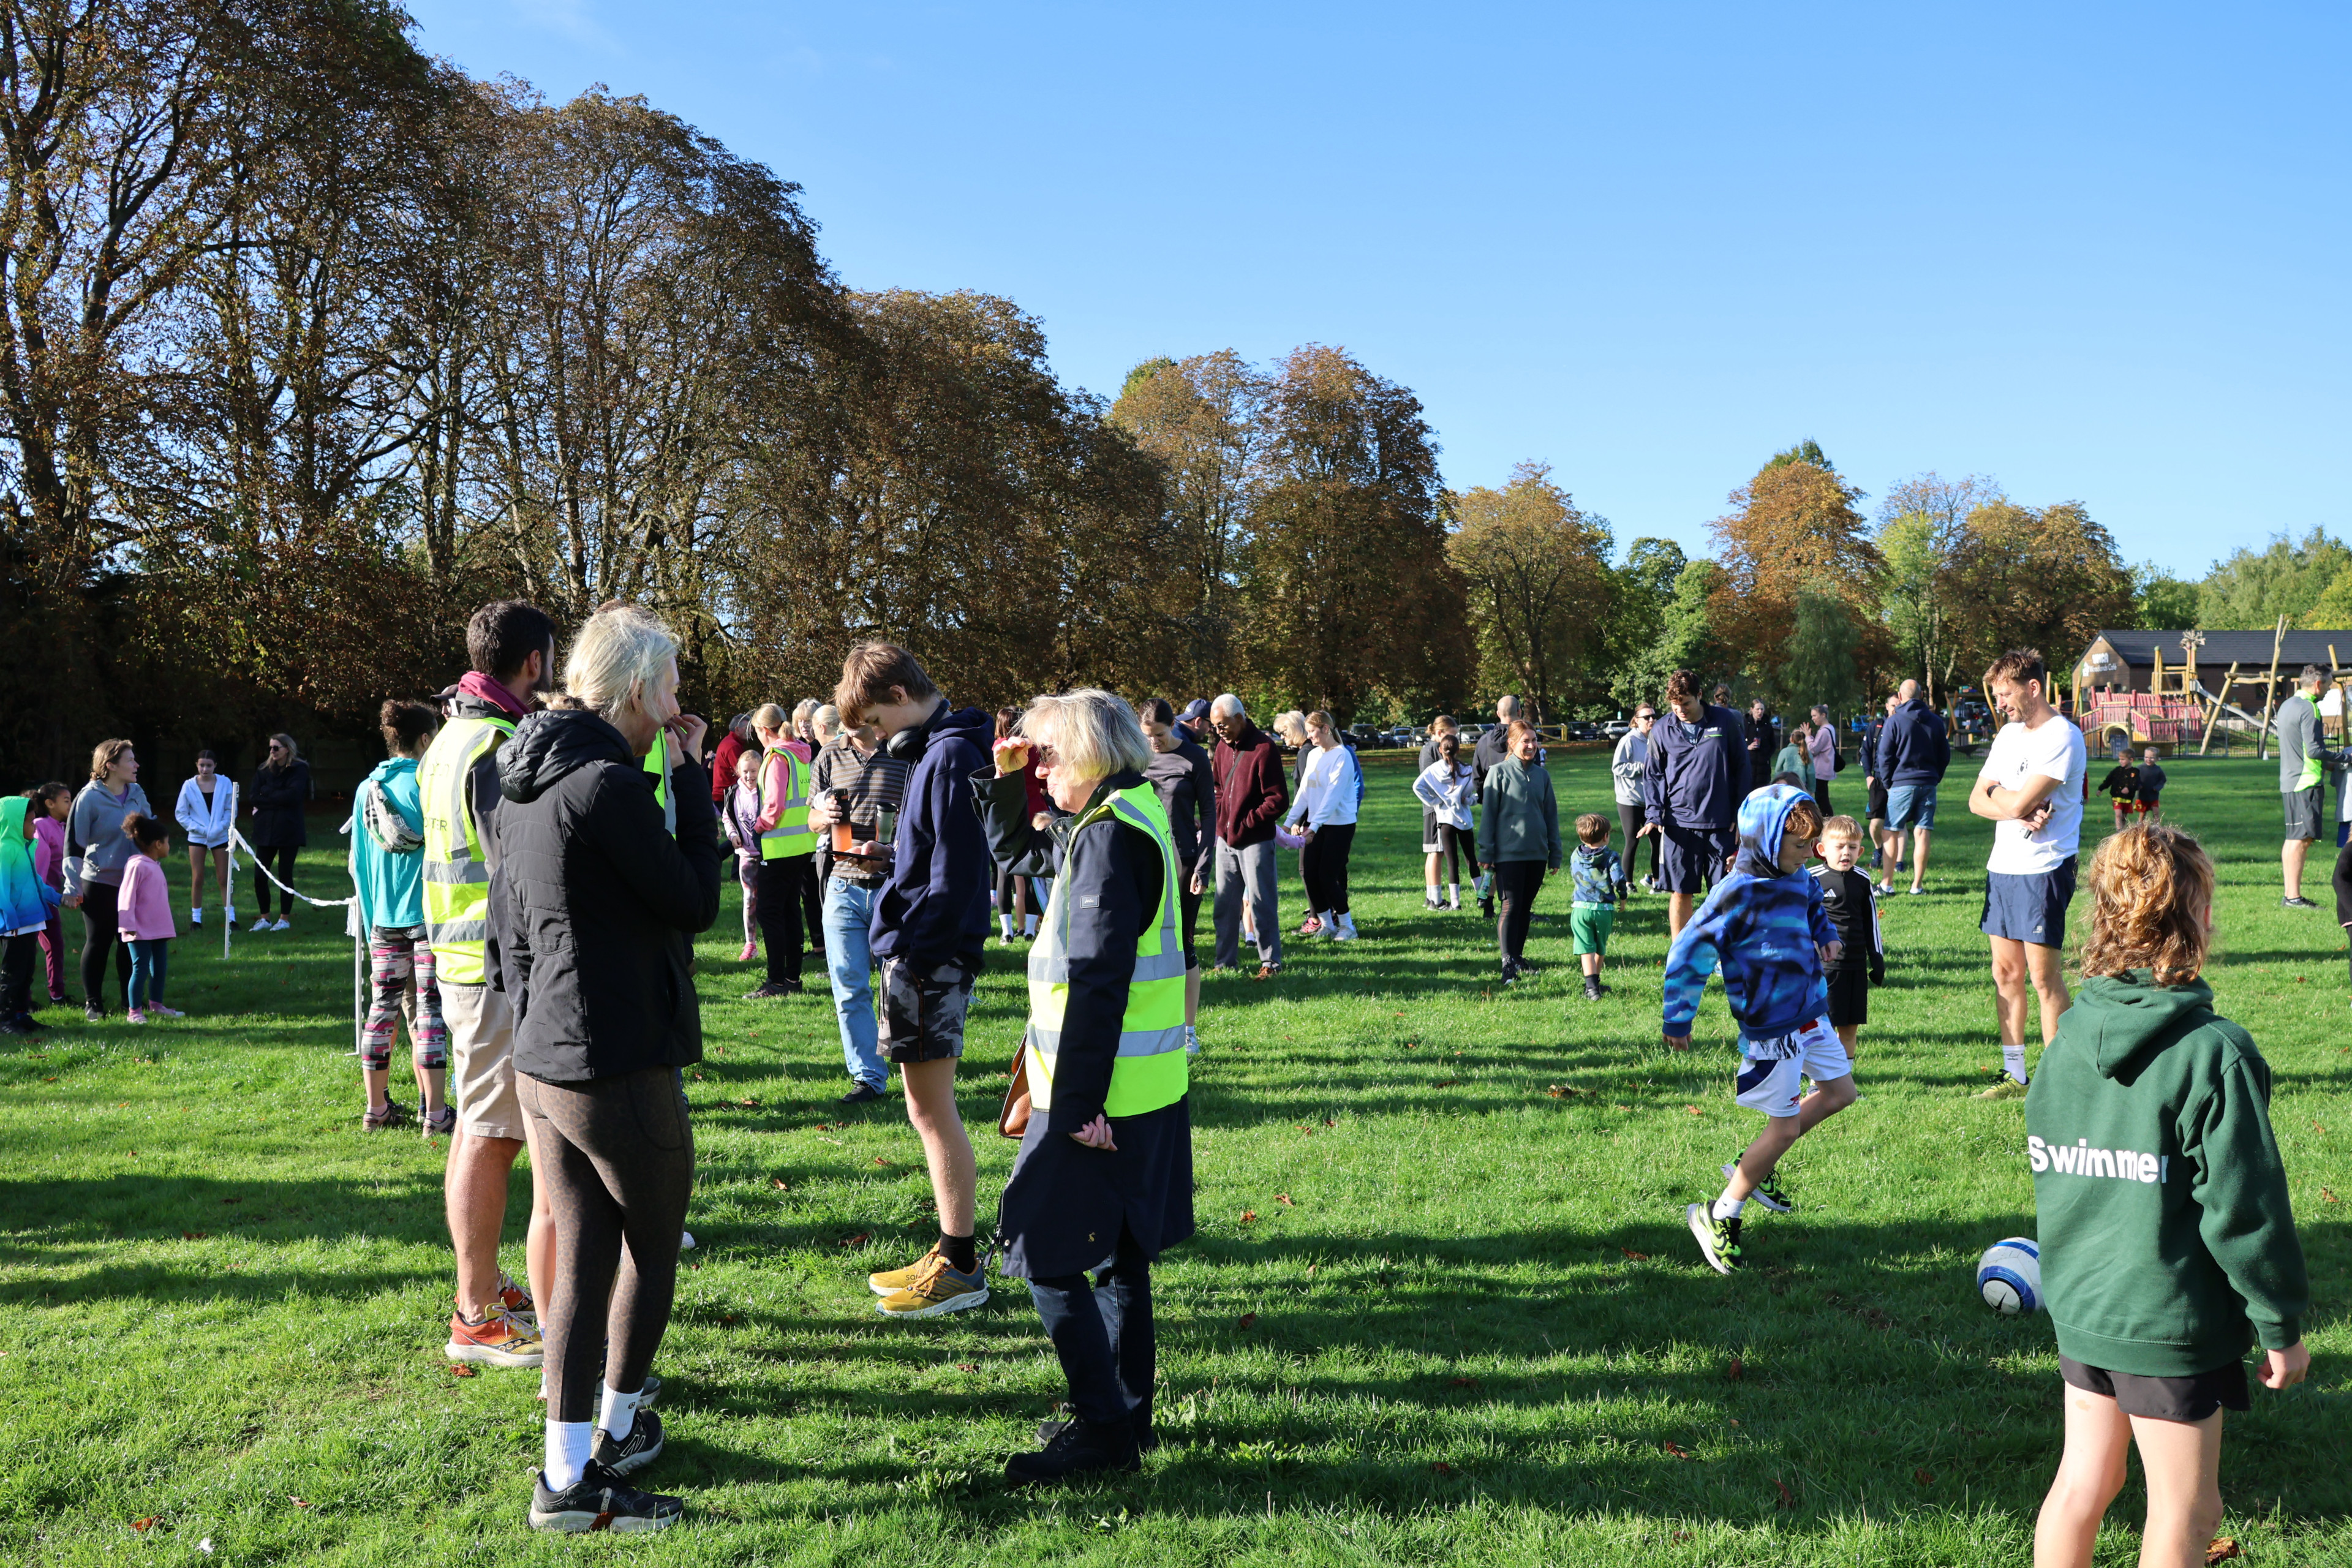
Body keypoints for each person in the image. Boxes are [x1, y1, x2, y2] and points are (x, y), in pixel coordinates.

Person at [2027, 822, 2310, 1568]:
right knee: (2189, 1511)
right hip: (2168, 1324)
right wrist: (2280, 1322)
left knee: (2086, 1480)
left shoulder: (2063, 1042)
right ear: (2195, 920)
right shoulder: (2214, 1056)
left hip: (2083, 1310)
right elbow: (2246, 1211)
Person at [494, 605, 718, 1534]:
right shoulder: (607, 786)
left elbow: (510, 933)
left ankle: (565, 1470)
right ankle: (614, 1439)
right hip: (613, 1057)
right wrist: (695, 778)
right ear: (635, 689)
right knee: (650, 1247)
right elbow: (696, 899)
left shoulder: (518, 779)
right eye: (670, 686)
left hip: (542, 1054)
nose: (678, 704)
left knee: (583, 1257)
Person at [982, 689, 1193, 1484]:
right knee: (1123, 1262)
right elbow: (1022, 854)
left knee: (1040, 1253)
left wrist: (1074, 1107)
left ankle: (1104, 1430)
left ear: (1091, 756)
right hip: (1146, 1087)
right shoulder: (1133, 812)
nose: (1042, 770)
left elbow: (1100, 981)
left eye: (1049, 756)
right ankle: (1125, 1420)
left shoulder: (1108, 839)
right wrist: (1008, 783)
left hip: (1100, 1098)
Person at [835, 642, 995, 1319]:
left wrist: (916, 952)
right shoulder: (937, 751)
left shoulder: (951, 754)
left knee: (932, 1110)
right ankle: (951, 1250)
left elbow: (957, 877)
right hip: (919, 953)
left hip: (930, 959)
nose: (873, 739)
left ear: (900, 695)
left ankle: (961, 1264)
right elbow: (931, 855)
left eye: (874, 723)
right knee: (922, 1108)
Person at [420, 598, 558, 1370]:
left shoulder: (454, 732)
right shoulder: (497, 742)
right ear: (533, 661)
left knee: (483, 1126)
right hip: (491, 967)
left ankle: (487, 1287)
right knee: (491, 1133)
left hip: (466, 959)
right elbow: (516, 866)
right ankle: (474, 1311)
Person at [1665, 786, 1854, 1273]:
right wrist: (1678, 1018)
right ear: (1766, 840)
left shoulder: (1797, 879)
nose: (1808, 856)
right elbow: (1688, 955)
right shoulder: (1736, 894)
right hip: (1773, 1028)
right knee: (1786, 1127)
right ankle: (1719, 1214)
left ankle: (1756, 1159)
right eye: (1798, 848)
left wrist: (1826, 936)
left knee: (1840, 1093)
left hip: (1811, 1011)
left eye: (1812, 847)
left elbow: (1813, 901)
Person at [1967, 648, 2087, 1098]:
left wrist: (2006, 800)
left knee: (2042, 977)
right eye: (1997, 695)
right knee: (2005, 973)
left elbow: (2009, 802)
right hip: (2003, 867)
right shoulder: (2009, 736)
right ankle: (2014, 1075)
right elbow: (1977, 801)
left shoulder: (2063, 736)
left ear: (2033, 687)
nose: (2000, 704)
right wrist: (2010, 805)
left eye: (2005, 694)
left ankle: (2060, 1079)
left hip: (2045, 867)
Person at [351, 699, 449, 1134]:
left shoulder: (366, 789)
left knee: (381, 1010)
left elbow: (360, 864)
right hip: (430, 916)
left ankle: (376, 1110)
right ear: (425, 739)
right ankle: (436, 1114)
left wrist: (373, 919)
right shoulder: (431, 784)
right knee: (430, 1013)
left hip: (384, 919)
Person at [807, 708, 912, 1106]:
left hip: (894, 887)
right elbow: (812, 817)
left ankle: (915, 1070)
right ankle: (868, 1077)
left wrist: (894, 847)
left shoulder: (903, 751)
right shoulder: (829, 755)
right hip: (842, 885)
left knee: (900, 987)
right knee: (850, 987)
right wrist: (824, 816)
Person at [1641, 669, 1751, 941]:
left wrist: (1741, 812)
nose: (1680, 710)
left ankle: (1723, 952)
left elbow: (1742, 768)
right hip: (1679, 826)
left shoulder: (1725, 721)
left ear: (1700, 696)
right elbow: (1653, 775)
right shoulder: (1661, 729)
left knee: (1724, 893)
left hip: (1721, 823)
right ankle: (1682, 951)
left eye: (1686, 704)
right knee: (1681, 892)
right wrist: (1654, 814)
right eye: (1675, 706)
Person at [1136, 697, 1216, 1055]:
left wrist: (1203, 866)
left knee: (1183, 944)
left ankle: (1188, 1031)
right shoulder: (1137, 756)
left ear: (1174, 727)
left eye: (1160, 735)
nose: (1154, 742)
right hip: (1145, 859)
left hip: (1183, 861)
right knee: (1144, 944)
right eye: (1148, 736)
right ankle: (1150, 1022)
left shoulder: (1195, 757)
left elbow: (1210, 817)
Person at [62, 740, 152, 1020]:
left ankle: (131, 1003)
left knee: (129, 943)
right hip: (99, 883)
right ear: (110, 766)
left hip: (132, 883)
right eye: (130, 760)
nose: (136, 765)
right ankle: (94, 1004)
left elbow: (150, 833)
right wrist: (71, 886)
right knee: (99, 943)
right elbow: (74, 846)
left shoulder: (137, 793)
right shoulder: (88, 797)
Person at [1208, 694, 1287, 979]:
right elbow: (1218, 788)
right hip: (1225, 841)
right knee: (1224, 905)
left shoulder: (1265, 748)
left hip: (1256, 840)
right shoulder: (1220, 748)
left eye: (1223, 725)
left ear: (1240, 719)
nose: (1218, 731)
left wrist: (1245, 823)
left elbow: (1277, 800)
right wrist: (1222, 820)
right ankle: (1224, 963)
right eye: (1215, 726)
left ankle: (1270, 964)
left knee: (1262, 902)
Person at [1475, 720, 1560, 984]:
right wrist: (1486, 853)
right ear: (1511, 743)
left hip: (1536, 853)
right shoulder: (1498, 773)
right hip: (1508, 854)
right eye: (1526, 741)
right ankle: (1507, 961)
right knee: (1510, 906)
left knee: (1525, 908)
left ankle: (1518, 957)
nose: (1532, 745)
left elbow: (1551, 816)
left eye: (1535, 741)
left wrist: (1555, 852)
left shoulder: (1542, 776)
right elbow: (1488, 816)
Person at [745, 702, 816, 999]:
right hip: (802, 845)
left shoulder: (776, 757)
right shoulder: (800, 752)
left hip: (780, 846)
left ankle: (776, 981)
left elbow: (774, 805)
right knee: (789, 912)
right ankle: (792, 978)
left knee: (769, 913)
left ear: (763, 731)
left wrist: (759, 826)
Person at [1809, 815, 1883, 1060]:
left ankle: (1845, 1084)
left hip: (1855, 965)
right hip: (1825, 967)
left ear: (1860, 851)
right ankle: (1817, 1085)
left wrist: (1877, 958)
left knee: (1850, 1029)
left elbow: (1871, 921)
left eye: (1852, 848)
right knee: (1824, 1028)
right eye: (1839, 847)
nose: (1846, 853)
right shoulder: (1812, 879)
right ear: (1822, 849)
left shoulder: (1863, 879)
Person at [1286, 711, 1362, 942]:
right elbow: (1305, 792)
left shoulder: (1342, 756)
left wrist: (1315, 826)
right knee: (1310, 875)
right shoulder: (1314, 755)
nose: (1309, 737)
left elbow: (1333, 795)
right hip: (1316, 824)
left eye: (1312, 731)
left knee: (1327, 877)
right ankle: (1327, 925)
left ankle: (1348, 927)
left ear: (1326, 729)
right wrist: (1289, 822)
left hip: (1339, 825)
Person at [2273, 665, 2341, 909]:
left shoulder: (2288, 705)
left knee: (2294, 838)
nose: (2331, 687)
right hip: (2306, 783)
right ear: (2317, 684)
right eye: (2330, 683)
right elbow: (2313, 750)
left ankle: (2291, 896)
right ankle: (2293, 898)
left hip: (2290, 781)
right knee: (2301, 839)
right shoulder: (2309, 708)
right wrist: (2344, 758)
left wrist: (2329, 765)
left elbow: (2301, 749)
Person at [1878, 678, 1951, 897]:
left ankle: (1886, 884)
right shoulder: (1936, 722)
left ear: (1900, 697)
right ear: (1921, 696)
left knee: (1890, 831)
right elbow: (1945, 755)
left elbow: (1885, 755)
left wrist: (1888, 782)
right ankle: (1917, 886)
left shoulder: (1895, 720)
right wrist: (1935, 777)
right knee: (1922, 832)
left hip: (1902, 782)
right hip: (1928, 782)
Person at [0, 790, 62, 1035]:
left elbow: (37, 881)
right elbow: (2, 889)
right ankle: (5, 1019)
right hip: (14, 925)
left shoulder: (27, 847)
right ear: (14, 822)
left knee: (26, 972)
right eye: (29, 821)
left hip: (31, 922)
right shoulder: (5, 850)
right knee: (12, 973)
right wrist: (10, 919)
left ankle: (21, 1014)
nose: (34, 827)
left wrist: (58, 898)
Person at [989, 706, 1050, 942]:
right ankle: (1030, 929)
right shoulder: (1033, 747)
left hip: (1011, 813)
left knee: (1005, 873)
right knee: (1036, 871)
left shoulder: (999, 747)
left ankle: (1006, 930)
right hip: (1036, 811)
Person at [115, 813, 179, 1022]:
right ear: (158, 844)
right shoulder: (137, 865)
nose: (169, 846)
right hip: (139, 930)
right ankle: (134, 1012)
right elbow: (126, 897)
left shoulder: (153, 865)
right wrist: (128, 925)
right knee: (140, 969)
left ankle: (157, 1005)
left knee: (159, 968)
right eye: (168, 843)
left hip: (158, 930)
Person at [244, 734, 311, 931]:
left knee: (285, 874)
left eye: (276, 748)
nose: (272, 751)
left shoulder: (299, 769)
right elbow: (254, 796)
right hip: (265, 829)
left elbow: (294, 796)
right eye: (271, 748)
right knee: (259, 875)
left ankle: (284, 919)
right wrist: (275, 799)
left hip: (289, 829)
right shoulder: (264, 770)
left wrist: (268, 796)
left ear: (287, 749)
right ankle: (265, 918)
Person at [1566, 812, 1628, 1000]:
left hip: (1580, 909)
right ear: (1606, 836)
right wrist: (1623, 897)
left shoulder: (1575, 855)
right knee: (1600, 948)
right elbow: (1618, 879)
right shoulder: (1611, 856)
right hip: (1603, 910)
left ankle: (1591, 988)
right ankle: (1596, 983)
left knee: (1586, 948)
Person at [1414, 733, 1476, 911]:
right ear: (1459, 749)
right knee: (1470, 858)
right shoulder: (1466, 769)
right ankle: (1481, 897)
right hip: (1462, 819)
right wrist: (1469, 800)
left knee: (1451, 861)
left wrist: (1435, 801)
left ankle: (1453, 902)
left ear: (1441, 750)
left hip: (1444, 819)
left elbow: (1417, 786)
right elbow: (1476, 788)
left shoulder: (1435, 769)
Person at [173, 750, 236, 928]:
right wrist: (199, 829)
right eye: (202, 765)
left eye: (209, 765)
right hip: (197, 836)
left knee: (224, 877)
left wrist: (220, 827)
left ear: (215, 765)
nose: (205, 769)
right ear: (196, 765)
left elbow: (231, 810)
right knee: (198, 877)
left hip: (220, 835)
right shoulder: (189, 786)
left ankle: (231, 918)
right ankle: (196, 919)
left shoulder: (225, 783)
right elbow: (181, 813)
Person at [29, 782, 70, 1008]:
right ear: (50, 803)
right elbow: (38, 863)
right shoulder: (40, 825)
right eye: (66, 800)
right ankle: (21, 1001)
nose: (70, 805)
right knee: (26, 949)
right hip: (37, 899)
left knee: (54, 946)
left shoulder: (62, 826)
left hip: (49, 898)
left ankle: (57, 996)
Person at [719, 751, 763, 962]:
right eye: (745, 771)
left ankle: (776, 941)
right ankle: (751, 944)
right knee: (749, 900)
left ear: (761, 769)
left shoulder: (767, 790)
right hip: (746, 855)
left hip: (769, 855)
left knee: (770, 902)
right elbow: (727, 816)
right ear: (738, 771)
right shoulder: (734, 792)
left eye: (754, 771)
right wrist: (733, 834)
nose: (749, 776)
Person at [1611, 706, 1658, 892]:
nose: (1651, 720)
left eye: (1654, 716)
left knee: (1657, 840)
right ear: (1637, 720)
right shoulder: (1628, 740)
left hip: (1650, 800)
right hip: (1629, 799)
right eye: (1647, 717)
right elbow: (1617, 767)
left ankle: (1657, 881)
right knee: (1632, 840)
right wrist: (1641, 767)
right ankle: (1627, 882)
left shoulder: (1656, 740)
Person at [1417, 715, 1461, 895]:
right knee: (1437, 851)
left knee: (1434, 852)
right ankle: (1435, 898)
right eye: (1451, 735)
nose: (1454, 740)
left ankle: (1431, 897)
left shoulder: (1428, 748)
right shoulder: (1435, 749)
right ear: (1439, 733)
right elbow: (1437, 780)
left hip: (1432, 807)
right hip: (1437, 808)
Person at [1863, 694, 1898, 871]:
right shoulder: (1876, 726)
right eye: (1892, 705)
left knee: (1899, 823)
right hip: (1878, 781)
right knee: (1876, 823)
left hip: (1900, 780)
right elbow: (1866, 752)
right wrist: (1868, 775)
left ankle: (1898, 861)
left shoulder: (1904, 725)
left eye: (1898, 705)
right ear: (1886, 706)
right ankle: (1878, 850)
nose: (1895, 709)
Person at [707, 713, 752, 808]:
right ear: (737, 729)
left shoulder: (729, 742)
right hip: (726, 796)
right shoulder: (733, 746)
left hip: (724, 795)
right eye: (747, 728)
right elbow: (741, 772)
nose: (750, 731)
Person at [1805, 704, 1837, 818]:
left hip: (1822, 770)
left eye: (1815, 716)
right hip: (1826, 768)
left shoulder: (1824, 731)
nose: (1813, 718)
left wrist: (1808, 737)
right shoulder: (1830, 728)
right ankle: (1827, 820)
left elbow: (1813, 749)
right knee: (1822, 797)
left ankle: (1828, 821)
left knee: (1821, 798)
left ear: (1823, 715)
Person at [2097, 753, 2141, 835]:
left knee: (2124, 817)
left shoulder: (2135, 772)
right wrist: (2100, 789)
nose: (2120, 761)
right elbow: (2108, 781)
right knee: (2118, 814)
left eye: (2123, 759)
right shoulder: (2117, 771)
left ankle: (2122, 832)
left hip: (2127, 798)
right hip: (2116, 797)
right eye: (2120, 759)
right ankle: (2119, 831)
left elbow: (2137, 784)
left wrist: (2129, 788)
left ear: (2131, 760)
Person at [1746, 698, 1779, 785]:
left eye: (1762, 709)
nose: (1760, 712)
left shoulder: (1767, 726)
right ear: (1752, 709)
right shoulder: (1745, 724)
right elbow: (1738, 743)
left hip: (1764, 768)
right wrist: (1747, 747)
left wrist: (1766, 756)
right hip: (1748, 766)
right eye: (1758, 709)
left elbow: (1773, 745)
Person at [1771, 720, 1808, 788]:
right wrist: (1812, 789)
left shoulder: (1784, 752)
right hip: (1801, 785)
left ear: (1791, 739)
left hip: (1786, 784)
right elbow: (1811, 772)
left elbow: (1778, 770)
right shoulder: (1807, 753)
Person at [2136, 747, 2166, 822]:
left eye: (2152, 758)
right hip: (2143, 794)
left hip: (2154, 795)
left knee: (2156, 812)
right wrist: (2138, 786)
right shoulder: (2139, 768)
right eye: (2146, 757)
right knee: (2143, 812)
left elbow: (2163, 780)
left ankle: (2157, 827)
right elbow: (2134, 779)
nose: (2148, 760)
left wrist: (2157, 787)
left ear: (2157, 759)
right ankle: (2140, 826)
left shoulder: (2158, 770)